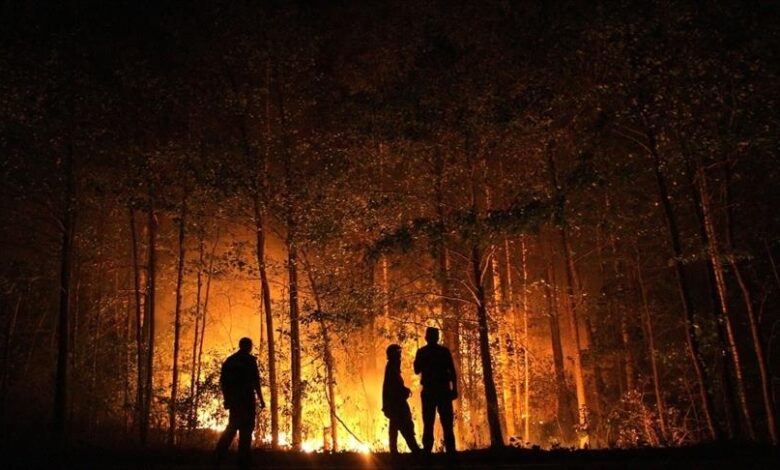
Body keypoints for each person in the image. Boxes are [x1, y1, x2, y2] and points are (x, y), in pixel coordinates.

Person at [215, 337, 265, 469]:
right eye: (250, 346)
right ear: (248, 347)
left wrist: (227, 399)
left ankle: (218, 457)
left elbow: (224, 383)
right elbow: (256, 382)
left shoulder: (230, 361)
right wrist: (261, 399)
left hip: (235, 401)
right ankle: (243, 461)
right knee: (246, 430)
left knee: (232, 428)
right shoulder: (250, 361)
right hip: (247, 401)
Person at [414, 327, 457, 453]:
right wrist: (454, 389)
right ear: (437, 337)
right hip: (443, 391)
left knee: (428, 423)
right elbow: (452, 372)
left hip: (429, 391)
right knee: (447, 424)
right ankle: (451, 452)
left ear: (426, 337)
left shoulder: (422, 352)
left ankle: (427, 452)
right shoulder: (444, 352)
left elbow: (416, 370)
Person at [382, 344, 421, 454]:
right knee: (405, 425)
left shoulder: (392, 367)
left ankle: (394, 451)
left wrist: (404, 390)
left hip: (395, 404)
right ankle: (414, 449)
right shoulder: (391, 368)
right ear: (392, 354)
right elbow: (393, 387)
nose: (400, 355)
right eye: (398, 353)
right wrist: (403, 391)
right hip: (396, 404)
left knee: (395, 426)